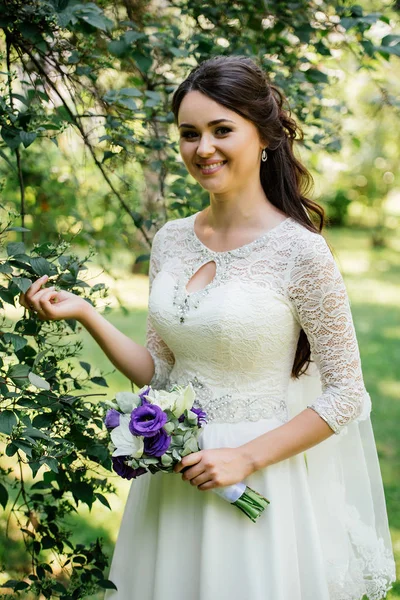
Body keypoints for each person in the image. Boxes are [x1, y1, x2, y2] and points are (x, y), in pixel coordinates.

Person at [20, 55, 396, 600]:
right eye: (189, 133)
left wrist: (243, 457)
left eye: (222, 130)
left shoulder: (301, 253)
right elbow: (161, 370)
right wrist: (85, 312)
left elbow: (344, 395)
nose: (203, 148)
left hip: (257, 471)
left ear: (264, 137)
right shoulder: (171, 239)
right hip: (176, 475)